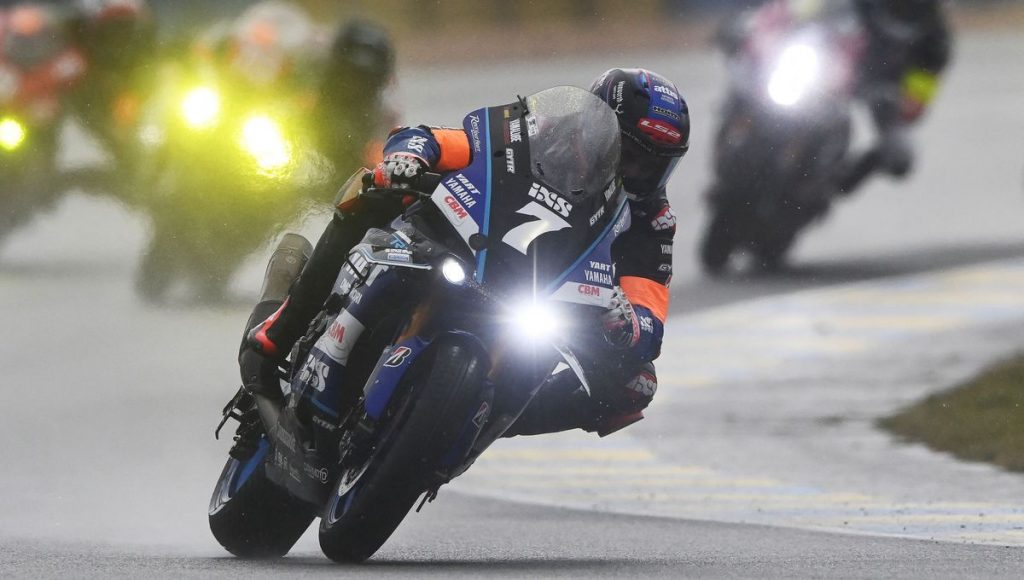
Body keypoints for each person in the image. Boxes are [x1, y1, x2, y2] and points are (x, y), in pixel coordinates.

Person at [238, 68, 690, 440]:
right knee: (372, 188)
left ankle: (481, 424)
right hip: (462, 246)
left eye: (655, 164)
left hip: (544, 303)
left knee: (636, 384)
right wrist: (409, 158)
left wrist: (626, 325)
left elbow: (650, 319)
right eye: (628, 152)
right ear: (596, 128)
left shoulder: (652, 224)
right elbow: (438, 140)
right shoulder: (537, 133)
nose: (638, 172)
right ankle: (278, 331)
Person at [720, 0, 952, 195]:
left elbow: (914, 102)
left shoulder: (934, 42)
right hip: (821, 67)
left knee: (899, 155)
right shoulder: (856, 6)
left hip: (871, 91)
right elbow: (796, 9)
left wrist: (900, 107)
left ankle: (826, 189)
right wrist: (760, 29)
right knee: (751, 64)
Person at [838, 0, 952, 193]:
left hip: (882, 88)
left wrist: (914, 97)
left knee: (899, 156)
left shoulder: (929, 27)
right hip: (826, 70)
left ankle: (835, 186)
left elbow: (930, 66)